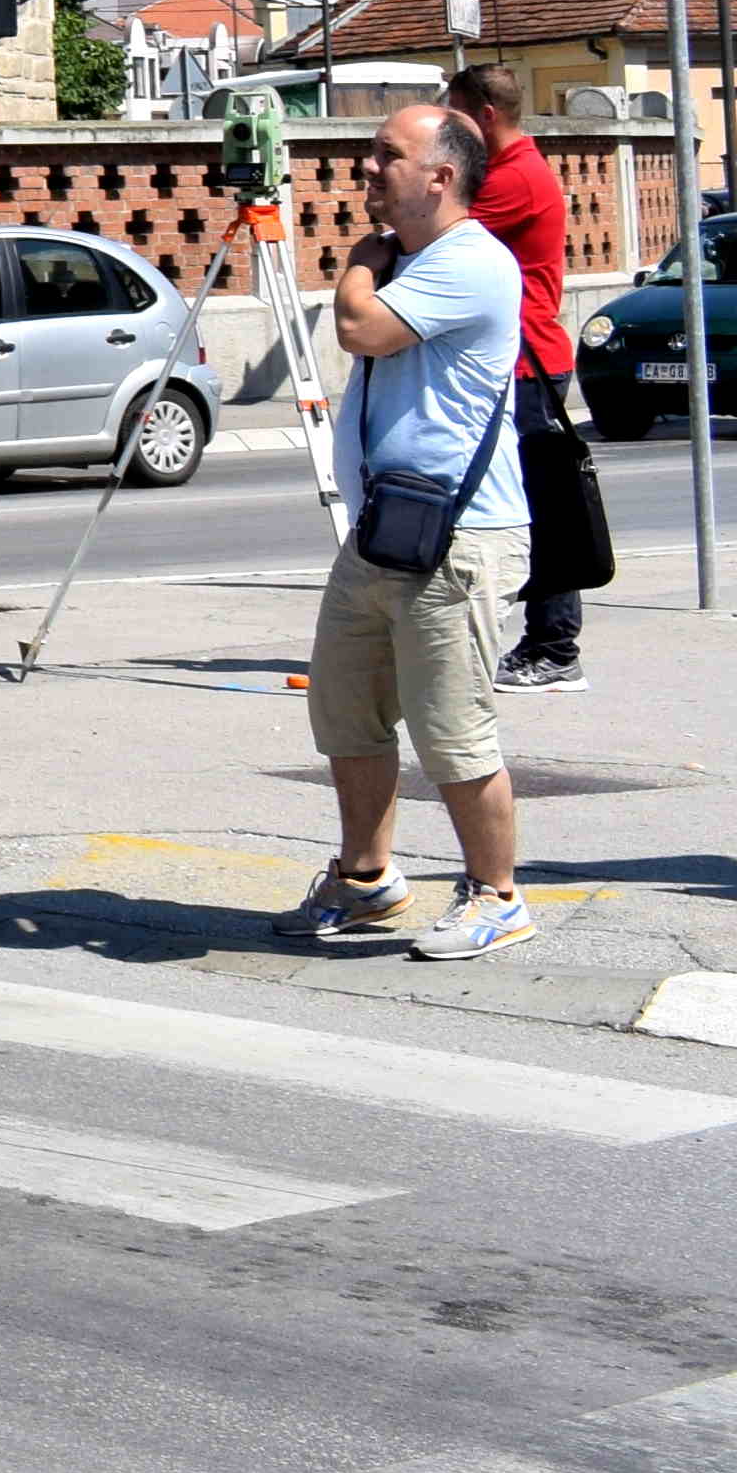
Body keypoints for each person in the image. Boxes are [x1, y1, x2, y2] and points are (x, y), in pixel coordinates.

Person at [279, 101, 535, 962]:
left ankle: (496, 895)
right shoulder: (417, 261)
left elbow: (359, 329)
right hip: (385, 530)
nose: (366, 169)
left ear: (441, 175)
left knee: (453, 731)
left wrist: (357, 261)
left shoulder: (470, 261)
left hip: (459, 537)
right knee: (346, 713)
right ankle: (365, 880)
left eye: (386, 155)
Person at [445, 63, 603, 691]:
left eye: (454, 116)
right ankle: (506, 635)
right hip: (513, 362)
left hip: (528, 364)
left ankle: (555, 648)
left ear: (485, 115)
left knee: (539, 508)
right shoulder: (504, 171)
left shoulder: (516, 179)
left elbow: (434, 233)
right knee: (507, 502)